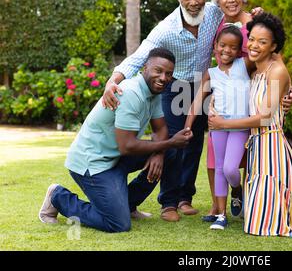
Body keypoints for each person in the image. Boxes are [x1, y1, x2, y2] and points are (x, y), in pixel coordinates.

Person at [101, 0, 270, 223]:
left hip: (203, 84)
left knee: (193, 144)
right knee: (173, 141)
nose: (194, 2)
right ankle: (168, 202)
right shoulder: (166, 28)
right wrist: (113, 80)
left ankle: (185, 198)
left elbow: (238, 15)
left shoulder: (213, 13)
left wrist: (258, 15)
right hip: (176, 86)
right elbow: (139, 56)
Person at [38, 48, 193, 233]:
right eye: (158, 71)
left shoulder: (154, 93)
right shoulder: (131, 93)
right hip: (93, 163)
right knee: (118, 224)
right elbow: (127, 146)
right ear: (145, 68)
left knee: (169, 153)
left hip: (115, 156)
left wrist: (160, 153)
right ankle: (58, 197)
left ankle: (127, 204)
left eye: (169, 74)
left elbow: (160, 129)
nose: (163, 77)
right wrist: (169, 143)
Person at [209, 13, 292, 237]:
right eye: (252, 39)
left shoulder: (276, 70)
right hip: (255, 149)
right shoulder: (254, 71)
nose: (254, 45)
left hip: (273, 147)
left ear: (274, 46)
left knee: (263, 227)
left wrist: (223, 123)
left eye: (262, 42)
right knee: (253, 222)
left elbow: (266, 117)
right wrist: (212, 102)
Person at [203, 0, 292, 221]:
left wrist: (289, 89)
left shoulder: (255, 22)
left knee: (241, 156)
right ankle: (217, 205)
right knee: (215, 156)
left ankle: (251, 195)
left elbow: (276, 61)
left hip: (253, 96)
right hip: (226, 97)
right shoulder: (214, 23)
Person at [185, 26, 251, 230]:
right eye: (222, 45)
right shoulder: (210, 73)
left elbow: (269, 57)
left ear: (240, 50)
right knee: (220, 168)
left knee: (231, 169)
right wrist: (188, 125)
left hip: (240, 126)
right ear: (215, 46)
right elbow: (198, 101)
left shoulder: (245, 64)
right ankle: (221, 214)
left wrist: (258, 19)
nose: (226, 50)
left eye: (233, 47)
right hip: (217, 127)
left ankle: (237, 190)